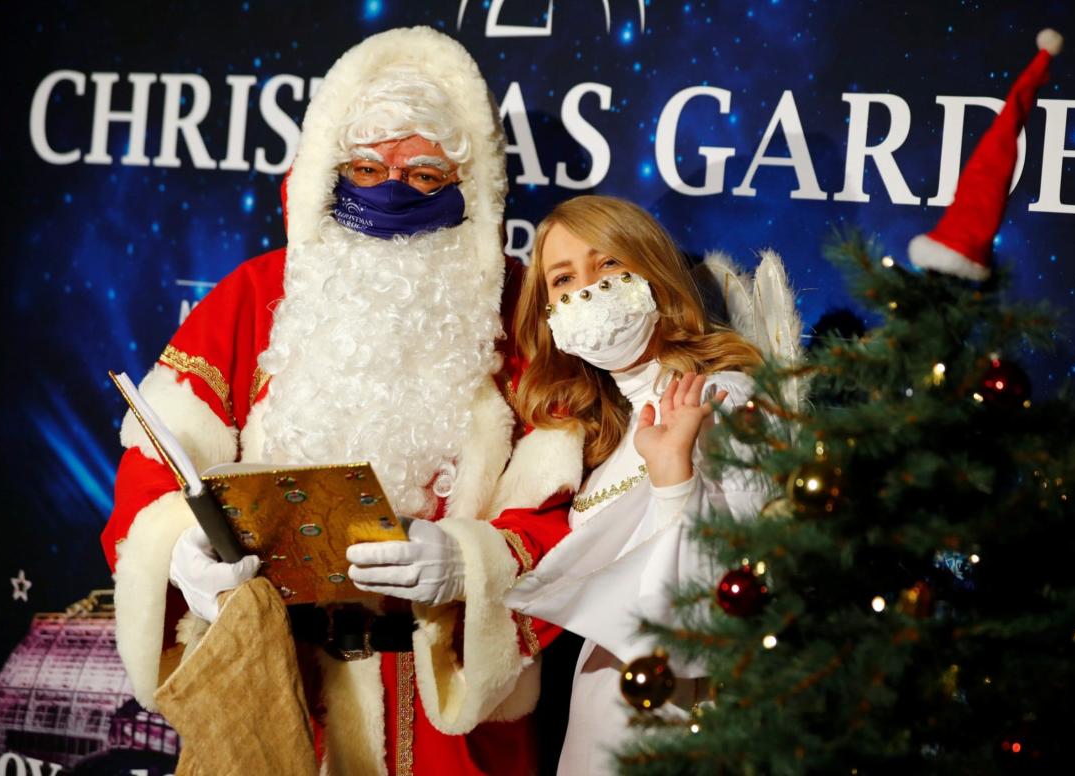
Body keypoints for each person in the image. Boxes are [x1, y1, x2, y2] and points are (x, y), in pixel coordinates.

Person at [101, 27, 578, 776]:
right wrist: (181, 551)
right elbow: (158, 460)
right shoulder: (256, 294)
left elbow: (570, 505)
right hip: (274, 693)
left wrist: (468, 564)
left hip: (447, 714)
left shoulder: (517, 310)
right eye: (365, 167)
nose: (390, 188)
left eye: (423, 174)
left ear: (469, 185)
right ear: (329, 172)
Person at [503, 195, 776, 773]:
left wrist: (675, 477)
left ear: (653, 274)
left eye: (609, 265)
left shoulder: (721, 398)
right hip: (603, 714)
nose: (588, 289)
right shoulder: (603, 438)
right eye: (563, 278)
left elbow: (723, 615)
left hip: (682, 726)